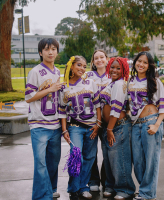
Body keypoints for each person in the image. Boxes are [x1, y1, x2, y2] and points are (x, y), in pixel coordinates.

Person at [58, 56, 101, 200]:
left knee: (89, 157)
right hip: (75, 127)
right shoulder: (64, 86)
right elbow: (62, 110)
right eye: (79, 65)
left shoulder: (90, 83)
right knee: (76, 157)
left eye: (84, 66)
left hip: (91, 127)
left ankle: (84, 187)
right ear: (71, 65)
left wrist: (98, 124)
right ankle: (74, 188)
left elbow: (97, 105)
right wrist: (64, 130)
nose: (82, 68)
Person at [127, 51, 164, 200]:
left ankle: (147, 193)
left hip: (151, 123)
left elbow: (163, 107)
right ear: (135, 62)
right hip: (135, 125)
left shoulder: (155, 82)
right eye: (139, 61)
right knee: (137, 161)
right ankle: (146, 190)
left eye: (145, 62)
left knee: (151, 160)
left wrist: (156, 125)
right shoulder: (130, 81)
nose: (141, 64)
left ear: (149, 65)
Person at [25, 38, 63, 200]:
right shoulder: (35, 71)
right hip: (39, 125)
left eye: (53, 49)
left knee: (53, 162)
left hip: (55, 124)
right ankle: (41, 196)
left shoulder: (57, 72)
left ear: (57, 52)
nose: (50, 52)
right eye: (46, 49)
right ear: (41, 53)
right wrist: (51, 89)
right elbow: (29, 96)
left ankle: (51, 189)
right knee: (40, 164)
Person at [100, 57, 135, 200]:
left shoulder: (120, 84)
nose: (114, 70)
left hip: (117, 127)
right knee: (109, 159)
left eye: (118, 68)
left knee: (119, 158)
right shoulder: (112, 83)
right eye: (112, 67)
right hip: (108, 126)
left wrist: (110, 129)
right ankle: (111, 186)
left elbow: (116, 108)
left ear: (124, 70)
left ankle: (125, 189)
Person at [86, 49, 111, 192]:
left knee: (108, 152)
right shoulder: (87, 76)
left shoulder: (112, 74)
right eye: (96, 58)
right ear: (93, 61)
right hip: (92, 120)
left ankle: (107, 182)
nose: (99, 60)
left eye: (102, 57)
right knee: (91, 152)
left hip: (107, 120)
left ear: (107, 58)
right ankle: (93, 180)